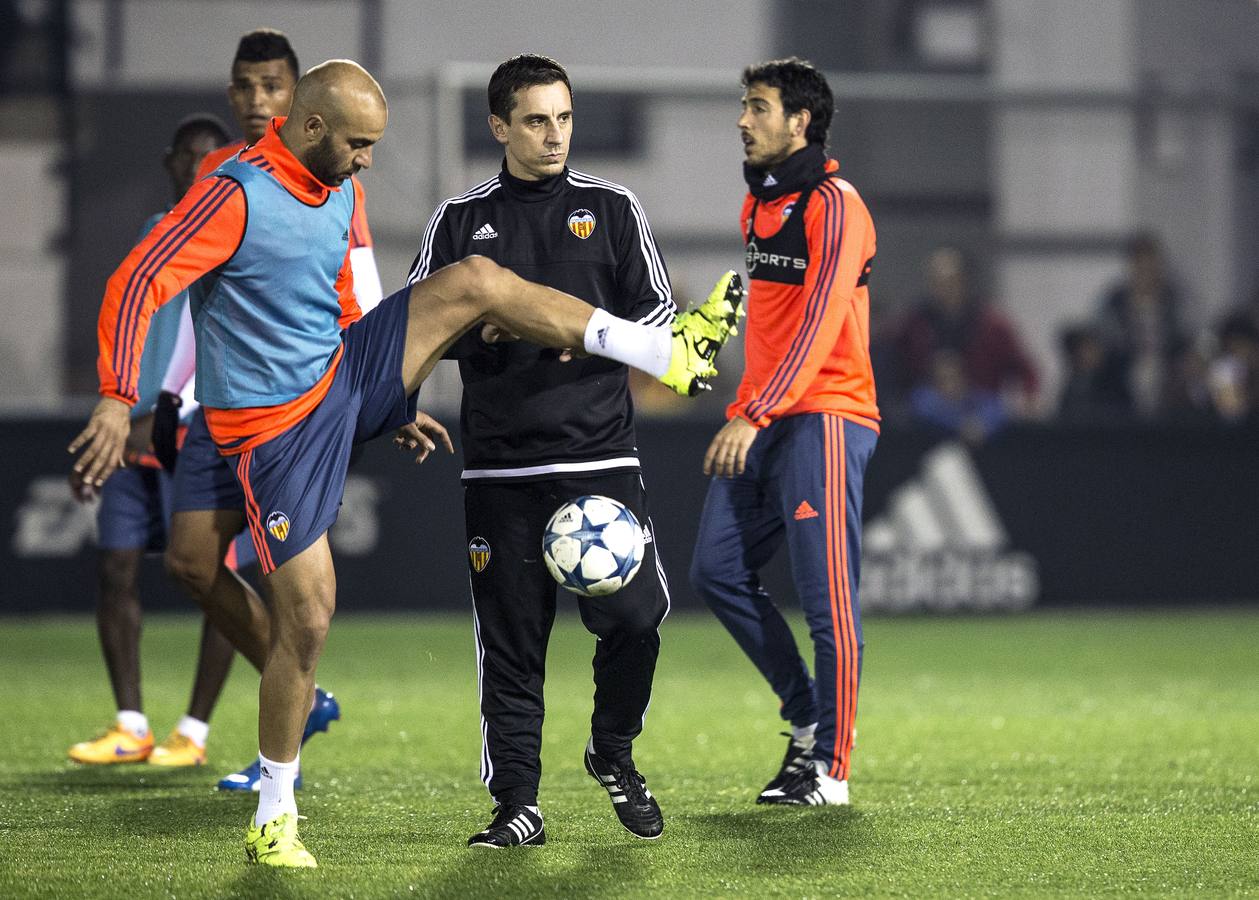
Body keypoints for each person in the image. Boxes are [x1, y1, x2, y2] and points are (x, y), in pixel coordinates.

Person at [70, 60, 740, 868]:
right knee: (307, 620)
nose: (369, 162)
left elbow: (351, 303)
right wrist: (115, 396)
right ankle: (275, 814)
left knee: (478, 281)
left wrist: (395, 384)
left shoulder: (339, 185)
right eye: (359, 144)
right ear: (311, 127)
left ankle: (665, 351)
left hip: (349, 381)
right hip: (274, 436)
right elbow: (137, 279)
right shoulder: (235, 194)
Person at [407, 54, 717, 848]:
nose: (554, 136)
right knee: (511, 649)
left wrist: (573, 333)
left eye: (565, 118)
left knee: (638, 619)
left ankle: (611, 751)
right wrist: (483, 327)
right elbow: (414, 325)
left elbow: (657, 323)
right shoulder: (458, 220)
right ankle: (517, 805)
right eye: (537, 120)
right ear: (499, 127)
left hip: (599, 461)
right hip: (501, 469)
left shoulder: (611, 209)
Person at [157, 29, 385, 793]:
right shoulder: (223, 180)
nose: (260, 101)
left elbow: (354, 285)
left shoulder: (334, 180)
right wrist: (159, 390)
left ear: (303, 105)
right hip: (212, 406)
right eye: (247, 87)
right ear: (232, 94)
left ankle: (273, 759)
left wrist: (384, 390)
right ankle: (301, 702)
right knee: (189, 560)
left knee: (302, 608)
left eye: (274, 88)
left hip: (284, 413)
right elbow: (181, 290)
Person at [689, 57, 879, 807]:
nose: (742, 118)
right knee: (715, 572)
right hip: (767, 412)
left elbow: (821, 322)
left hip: (826, 414)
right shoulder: (758, 207)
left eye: (757, 107)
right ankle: (804, 718)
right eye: (744, 105)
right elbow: (770, 324)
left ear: (799, 122)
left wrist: (753, 410)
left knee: (827, 599)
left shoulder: (835, 204)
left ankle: (830, 768)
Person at [66, 114, 253, 768]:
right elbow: (133, 329)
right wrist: (112, 415)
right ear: (172, 163)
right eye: (190, 157)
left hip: (198, 425)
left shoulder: (233, 230)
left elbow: (218, 334)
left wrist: (175, 407)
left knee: (211, 577)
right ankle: (130, 724)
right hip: (135, 423)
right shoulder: (154, 233)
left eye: (213, 158)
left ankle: (193, 734)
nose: (200, 167)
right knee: (115, 568)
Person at [894, 246, 1038, 414]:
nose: (943, 287)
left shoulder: (992, 325)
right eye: (936, 280)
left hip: (981, 407)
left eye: (949, 280)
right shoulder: (913, 323)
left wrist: (1029, 399)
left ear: (964, 280)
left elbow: (1024, 369)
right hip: (929, 410)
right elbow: (895, 363)